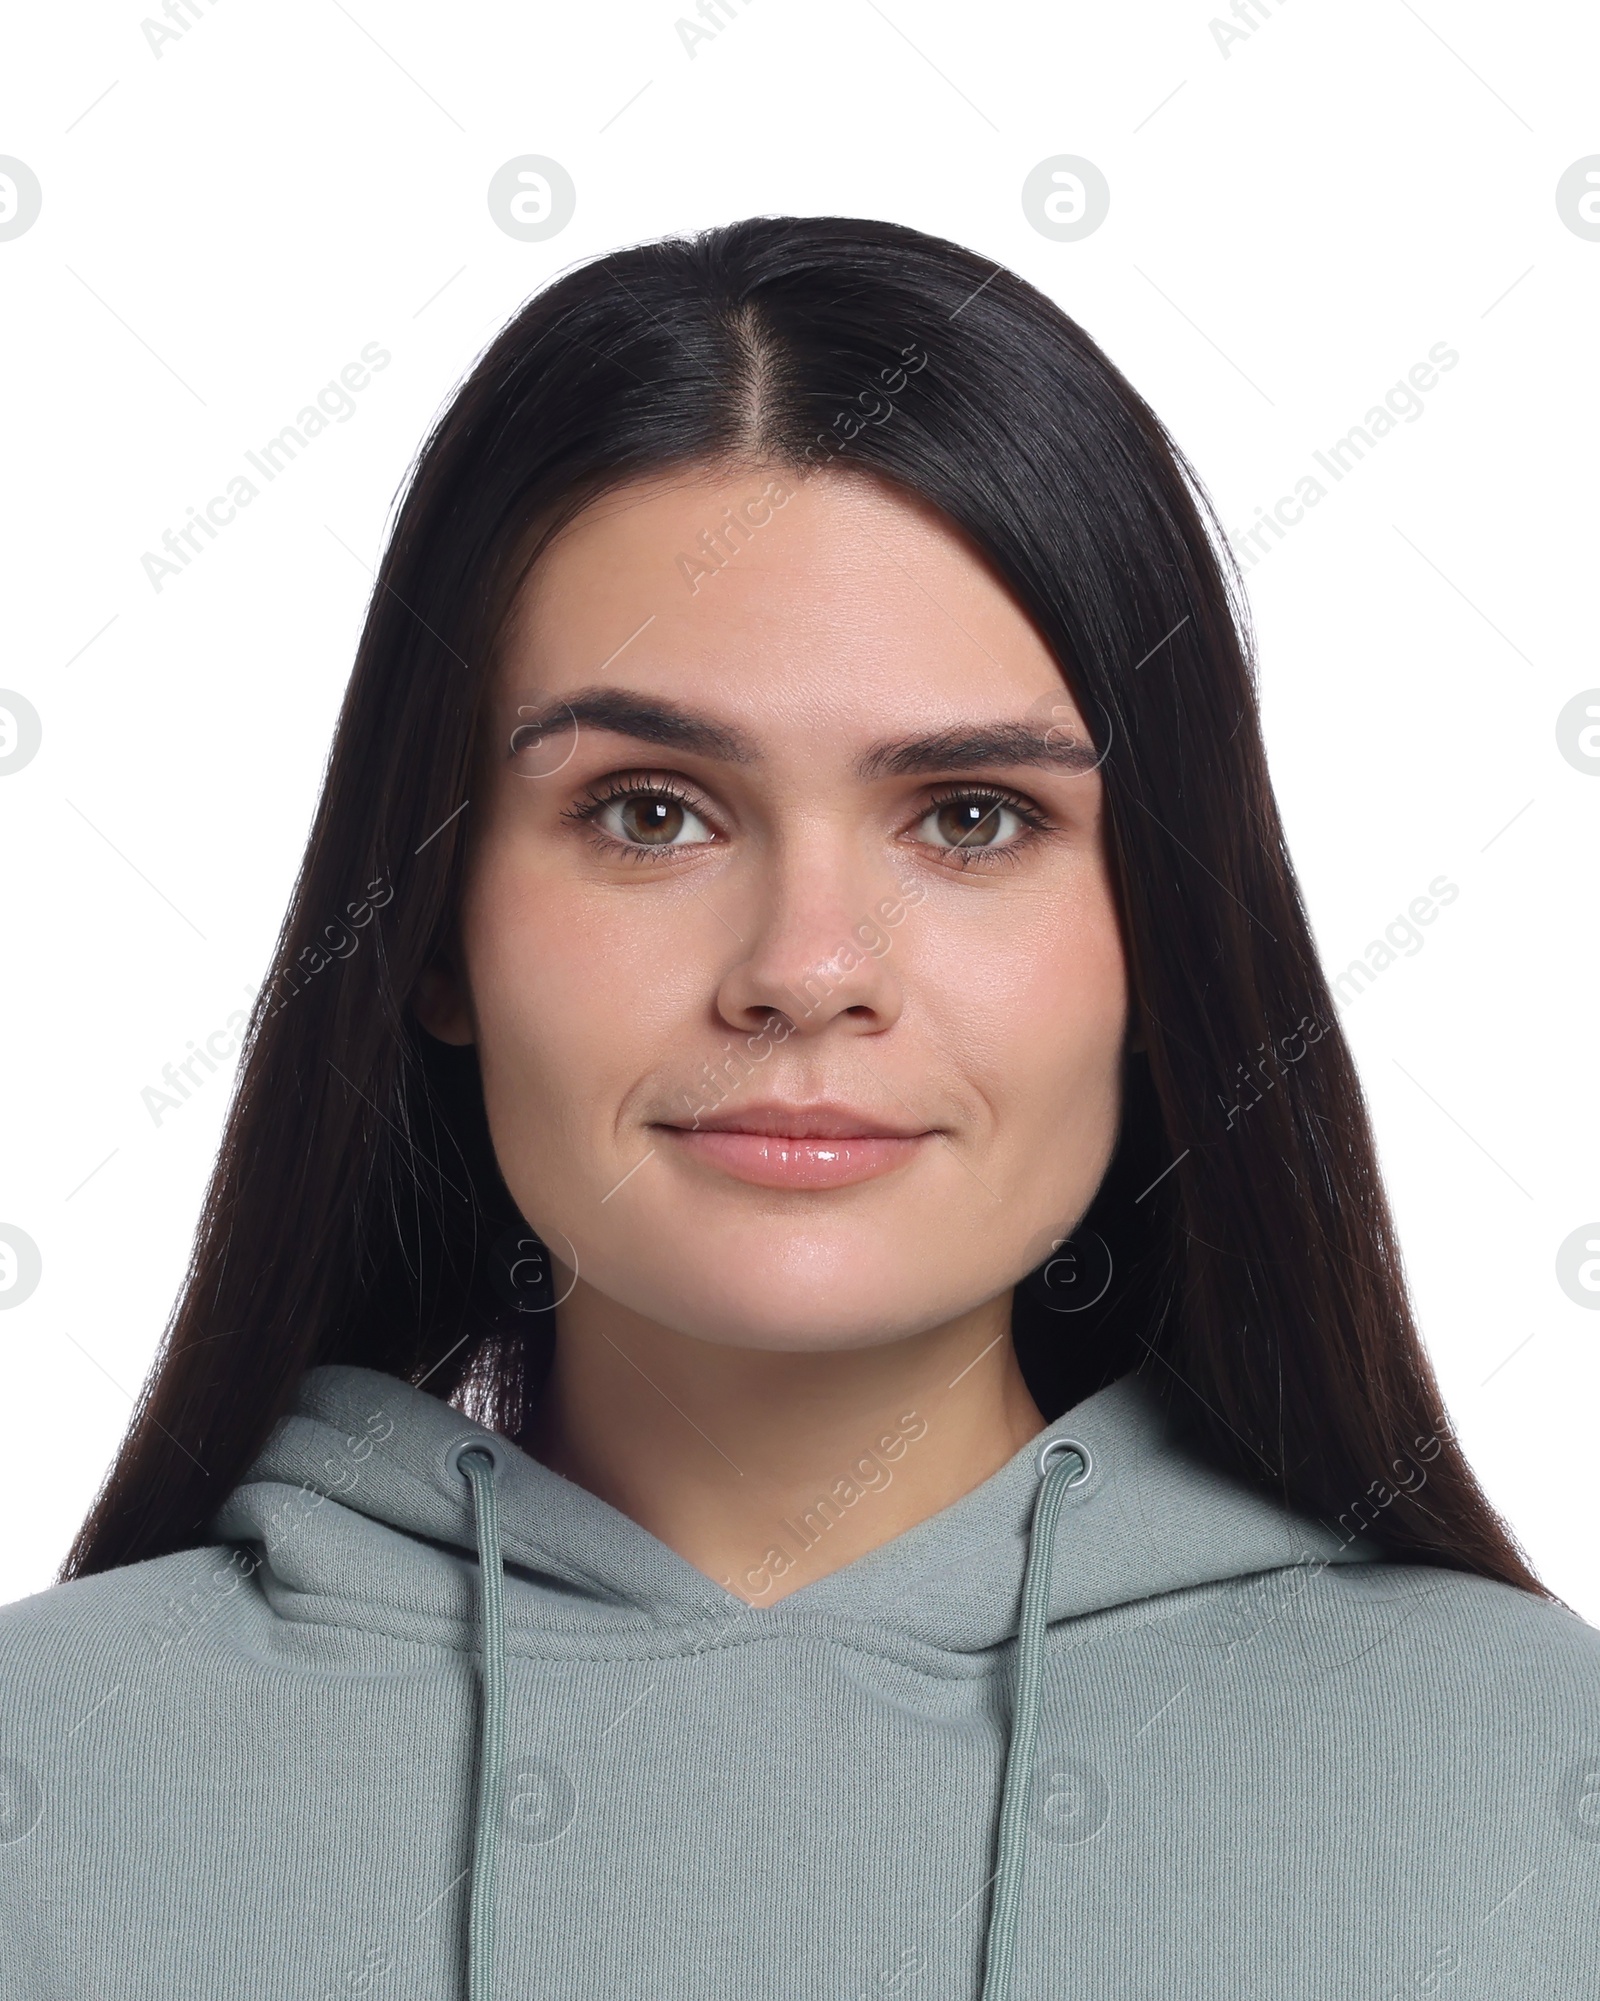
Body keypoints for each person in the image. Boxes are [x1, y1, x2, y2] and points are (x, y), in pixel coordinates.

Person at [3, 216, 1595, 2000]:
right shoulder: (46, 1786)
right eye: (652, 811)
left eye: (972, 816)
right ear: (433, 926)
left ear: (1162, 945)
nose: (808, 964)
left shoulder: (1538, 1795)